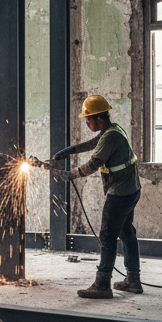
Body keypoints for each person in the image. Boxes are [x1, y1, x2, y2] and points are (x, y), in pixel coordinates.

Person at [33, 94, 141, 299]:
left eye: (88, 118)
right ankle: (133, 280)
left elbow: (93, 163)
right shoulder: (113, 130)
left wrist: (68, 175)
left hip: (120, 192)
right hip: (131, 189)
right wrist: (70, 151)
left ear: (99, 118)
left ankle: (102, 284)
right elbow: (94, 144)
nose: (86, 121)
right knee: (127, 233)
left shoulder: (110, 136)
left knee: (107, 236)